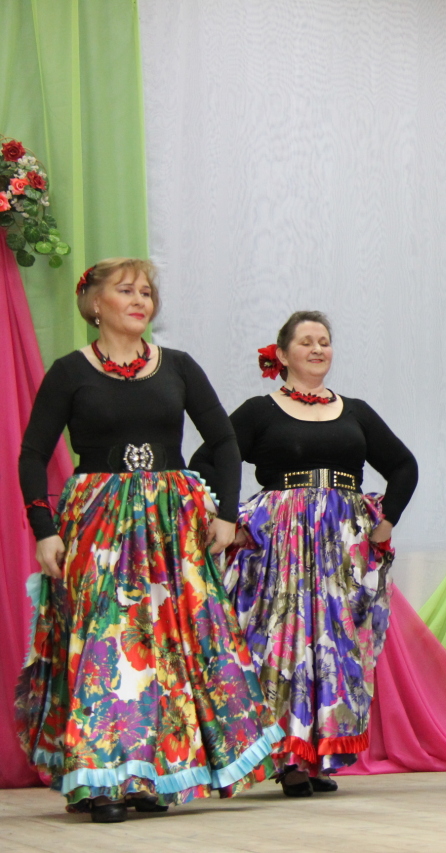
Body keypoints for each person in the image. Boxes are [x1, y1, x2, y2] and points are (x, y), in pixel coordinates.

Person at [16, 259, 281, 823]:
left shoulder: (178, 367)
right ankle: (103, 778)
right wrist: (44, 531)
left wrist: (228, 516)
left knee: (169, 646)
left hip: (172, 523)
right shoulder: (70, 371)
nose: (140, 300)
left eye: (147, 292)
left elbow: (225, 443)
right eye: (126, 290)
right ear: (93, 303)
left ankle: (149, 775)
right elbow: (33, 455)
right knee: (108, 644)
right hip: (99, 522)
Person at [191, 311, 419, 796]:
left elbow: (403, 465)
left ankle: (321, 754)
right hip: (281, 545)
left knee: (336, 647)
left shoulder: (354, 410)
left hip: (342, 546)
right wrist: (226, 518)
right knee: (286, 642)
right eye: (307, 342)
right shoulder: (258, 411)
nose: (318, 349)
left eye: (325, 342)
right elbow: (207, 460)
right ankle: (289, 756)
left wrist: (385, 522)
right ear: (281, 354)